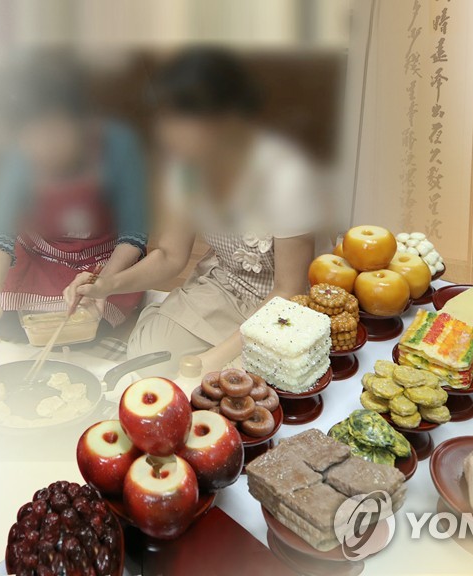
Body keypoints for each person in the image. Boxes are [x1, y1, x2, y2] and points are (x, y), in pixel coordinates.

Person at [65, 48, 324, 375]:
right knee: (148, 354)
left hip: (285, 307)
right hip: (228, 286)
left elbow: (290, 290)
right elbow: (170, 256)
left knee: (246, 382)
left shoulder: (286, 177)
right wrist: (106, 285)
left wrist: (210, 362)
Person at [0, 56, 149, 342]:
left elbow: (134, 234)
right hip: (40, 255)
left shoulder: (118, 144)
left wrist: (103, 284)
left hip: (102, 261)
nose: (42, 149)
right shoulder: (17, 155)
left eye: (53, 134)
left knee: (85, 331)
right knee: (7, 325)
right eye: (30, 138)